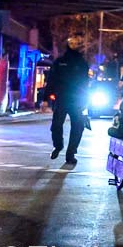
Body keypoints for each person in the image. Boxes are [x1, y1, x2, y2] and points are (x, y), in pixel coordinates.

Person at [46, 33, 90, 165]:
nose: (75, 45)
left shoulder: (81, 63)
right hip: (63, 98)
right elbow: (51, 79)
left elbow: (84, 82)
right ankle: (59, 146)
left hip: (75, 99)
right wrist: (46, 97)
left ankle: (70, 153)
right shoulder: (60, 62)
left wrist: (85, 100)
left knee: (77, 126)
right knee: (57, 125)